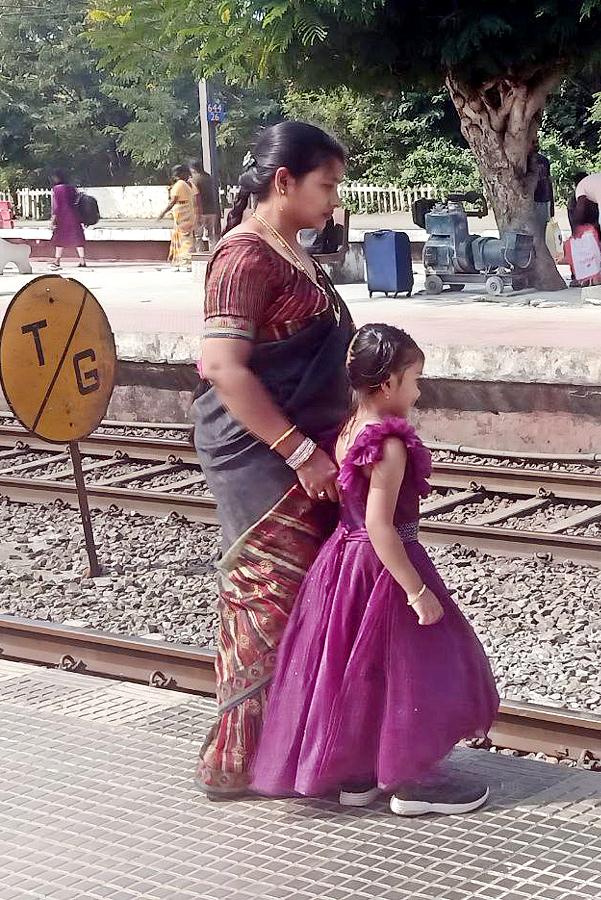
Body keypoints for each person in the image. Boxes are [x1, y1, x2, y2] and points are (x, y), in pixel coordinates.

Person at [252, 324, 499, 814]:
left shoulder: (347, 431)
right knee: (427, 667)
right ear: (387, 384)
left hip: (340, 565)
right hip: (383, 565)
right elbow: (380, 524)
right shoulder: (388, 443)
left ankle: (359, 777)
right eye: (415, 379)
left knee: (355, 670)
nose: (419, 390)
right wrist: (416, 589)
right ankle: (411, 782)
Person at [191, 121, 353, 799]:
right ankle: (237, 760)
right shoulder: (244, 259)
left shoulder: (293, 250)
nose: (334, 200)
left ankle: (299, 752)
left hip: (305, 450)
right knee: (269, 601)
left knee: (312, 600)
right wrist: (300, 452)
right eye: (327, 185)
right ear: (283, 182)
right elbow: (222, 367)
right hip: (261, 457)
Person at [159, 165, 197, 269]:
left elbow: (173, 201)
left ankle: (183, 262)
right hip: (189, 213)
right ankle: (184, 262)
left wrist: (163, 213)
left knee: (182, 239)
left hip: (181, 215)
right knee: (187, 237)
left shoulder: (179, 185)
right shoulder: (190, 184)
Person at [48, 170, 86, 270]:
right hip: (74, 214)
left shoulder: (56, 189)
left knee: (59, 238)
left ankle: (57, 260)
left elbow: (56, 206)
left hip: (62, 216)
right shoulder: (71, 188)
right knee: (77, 237)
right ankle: (82, 260)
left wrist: (52, 220)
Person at [190, 158, 222, 252]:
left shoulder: (194, 180)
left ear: (193, 168)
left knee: (198, 237)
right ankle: (213, 254)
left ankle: (199, 256)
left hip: (201, 211)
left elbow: (195, 197)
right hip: (212, 210)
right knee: (212, 235)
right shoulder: (209, 178)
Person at [531, 139, 554, 253]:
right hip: (531, 201)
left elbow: (548, 182)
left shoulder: (544, 161)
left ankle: (540, 254)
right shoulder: (525, 161)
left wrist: (551, 204)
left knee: (542, 231)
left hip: (543, 199)